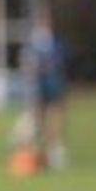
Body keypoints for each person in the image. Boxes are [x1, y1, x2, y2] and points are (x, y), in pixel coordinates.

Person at [26, 14, 69, 171]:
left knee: (56, 116)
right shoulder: (34, 44)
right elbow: (29, 65)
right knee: (39, 118)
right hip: (39, 85)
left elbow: (61, 62)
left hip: (53, 82)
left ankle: (55, 151)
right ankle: (39, 152)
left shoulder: (57, 43)